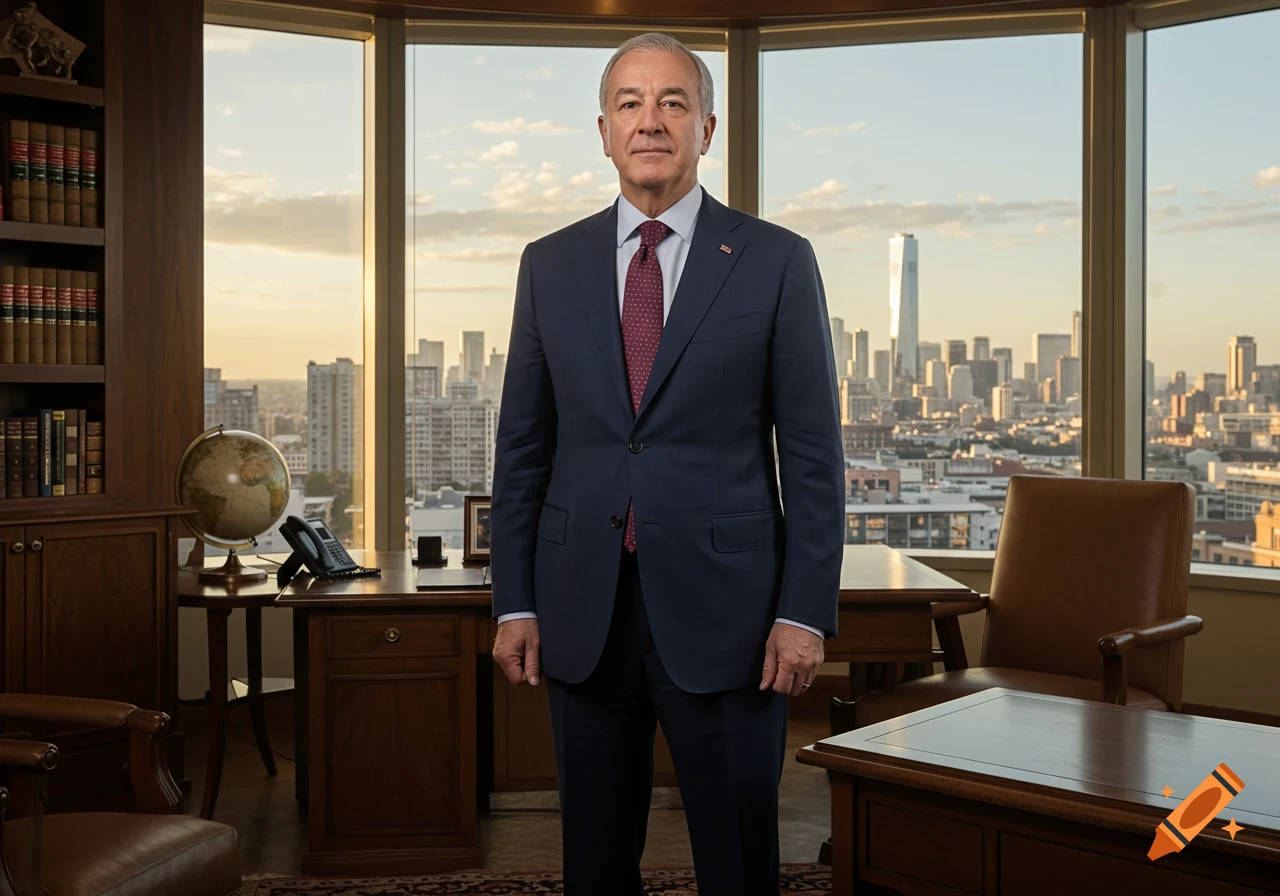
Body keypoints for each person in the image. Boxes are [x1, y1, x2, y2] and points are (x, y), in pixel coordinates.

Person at [489, 31, 844, 896]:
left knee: (737, 860)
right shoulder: (549, 264)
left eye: (673, 103)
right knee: (596, 864)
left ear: (707, 129)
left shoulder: (776, 260)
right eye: (630, 104)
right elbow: (523, 449)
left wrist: (804, 614)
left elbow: (811, 455)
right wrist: (517, 599)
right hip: (582, 610)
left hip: (732, 617)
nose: (651, 122)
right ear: (604, 131)